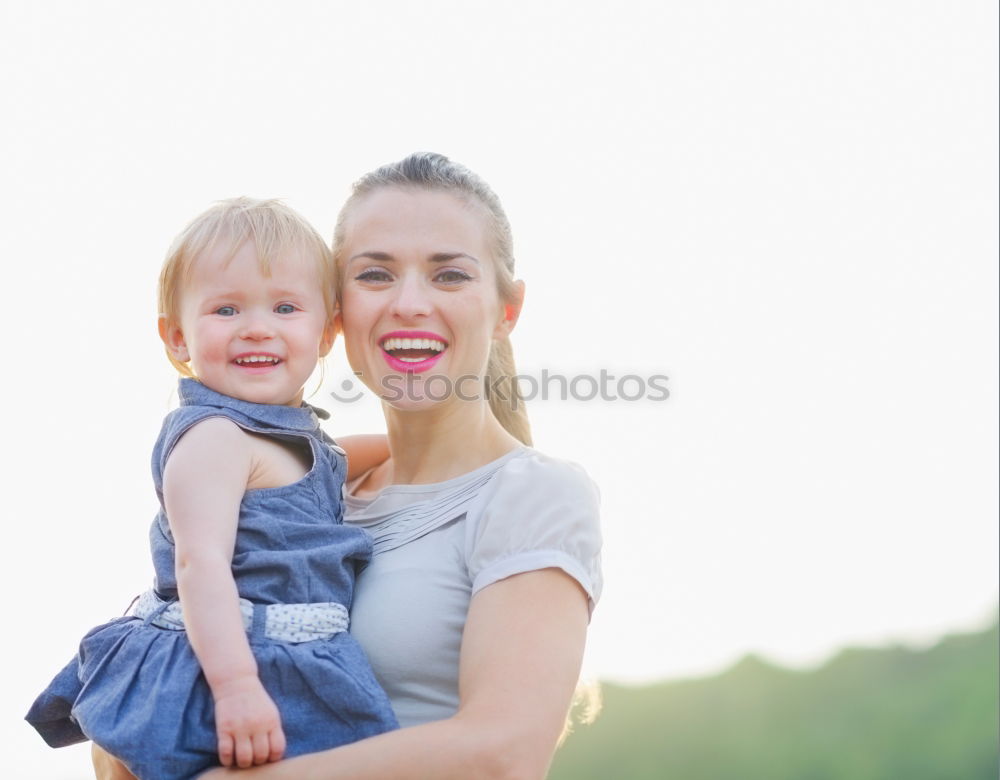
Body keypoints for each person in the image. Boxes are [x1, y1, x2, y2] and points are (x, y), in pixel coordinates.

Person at [96, 153, 603, 779]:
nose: (410, 303)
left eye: (448, 276)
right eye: (375, 275)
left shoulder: (531, 492)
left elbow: (502, 756)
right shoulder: (308, 490)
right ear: (339, 313)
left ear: (506, 310)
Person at [26, 198, 399, 779]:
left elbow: (334, 459)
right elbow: (201, 565)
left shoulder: (290, 439)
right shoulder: (214, 439)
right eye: (226, 309)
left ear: (326, 332)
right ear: (177, 339)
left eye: (284, 307)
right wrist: (237, 687)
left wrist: (414, 442)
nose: (257, 326)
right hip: (228, 663)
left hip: (291, 657)